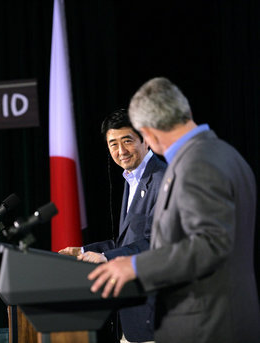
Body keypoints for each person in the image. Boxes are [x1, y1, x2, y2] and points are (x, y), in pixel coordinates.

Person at [88, 77, 260, 343]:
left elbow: (210, 245)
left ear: (147, 133)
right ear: (187, 112)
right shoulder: (224, 154)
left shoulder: (195, 164)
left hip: (204, 326)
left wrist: (135, 265)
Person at [59, 109, 167, 343]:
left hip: (157, 318)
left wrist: (107, 257)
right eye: (113, 144)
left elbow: (158, 243)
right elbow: (127, 242)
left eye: (127, 141)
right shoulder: (132, 178)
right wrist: (85, 252)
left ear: (145, 138)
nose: (120, 151)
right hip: (134, 316)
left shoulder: (161, 179)